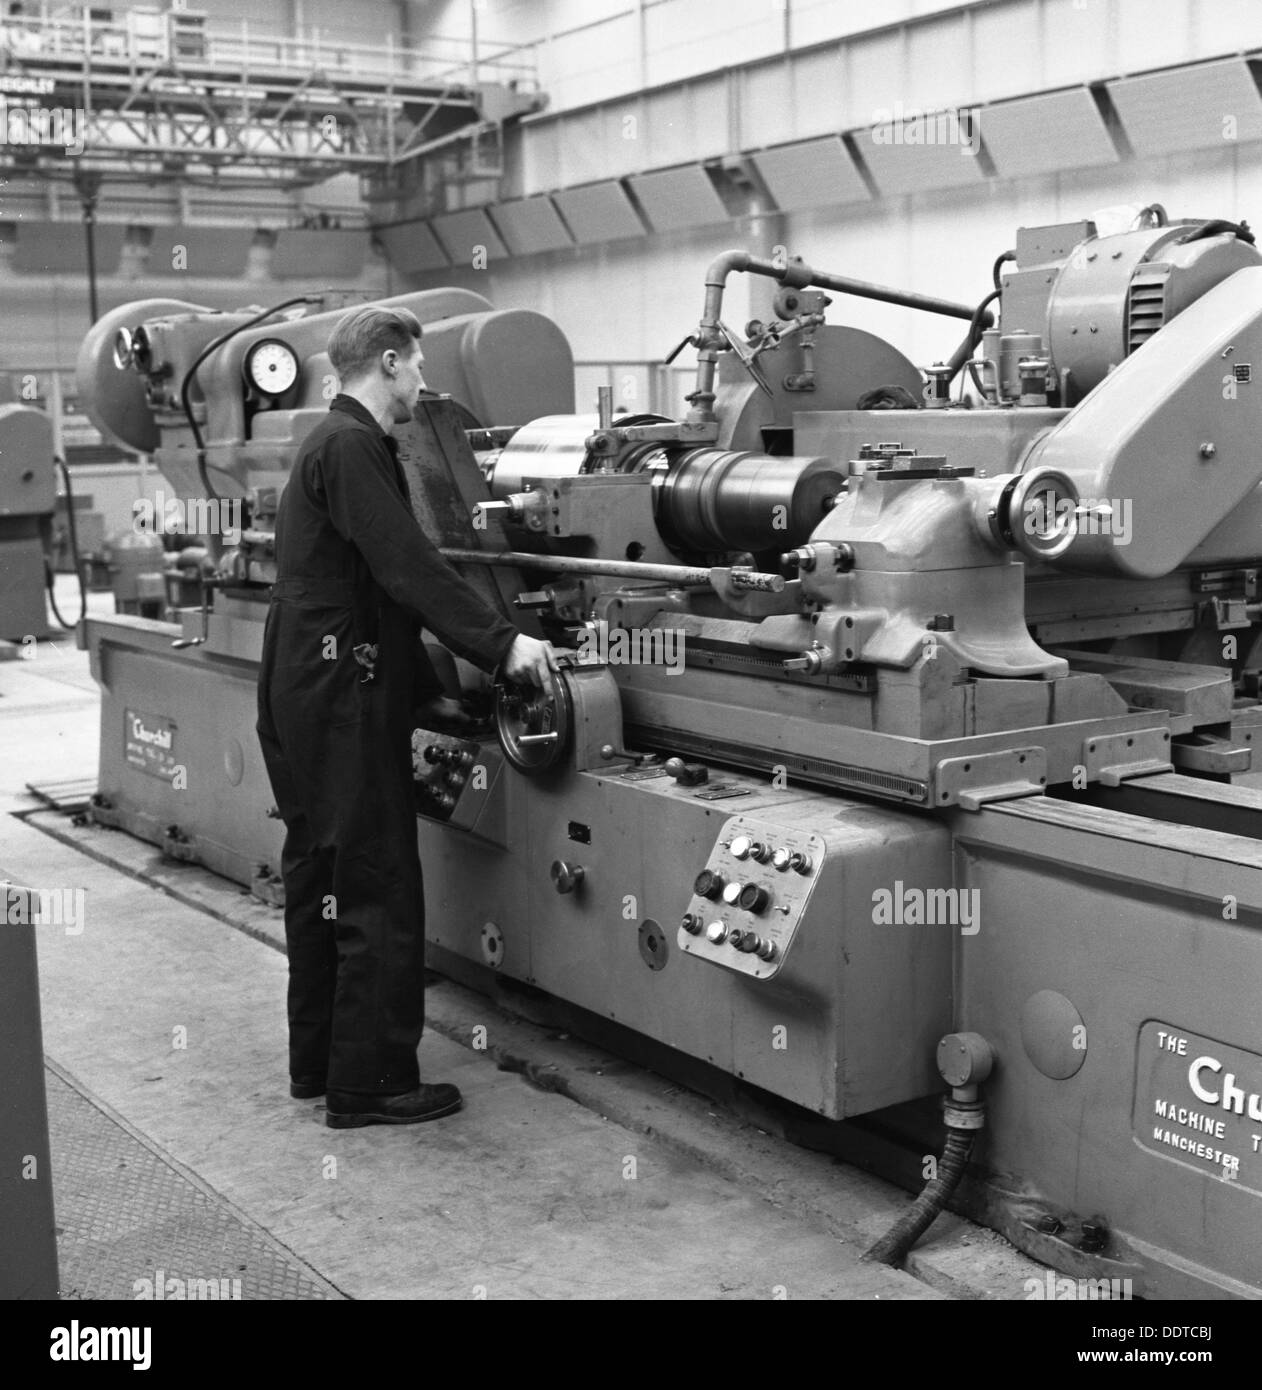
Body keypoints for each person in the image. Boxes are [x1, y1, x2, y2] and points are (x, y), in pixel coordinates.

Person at [256, 305, 556, 1129]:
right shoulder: (353, 445)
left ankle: (319, 1064)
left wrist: (427, 689)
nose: (423, 382)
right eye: (417, 366)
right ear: (388, 362)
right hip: (340, 692)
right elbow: (405, 567)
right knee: (378, 883)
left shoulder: (326, 442)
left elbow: (366, 585)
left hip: (303, 682)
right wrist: (505, 647)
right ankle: (374, 1083)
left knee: (320, 876)